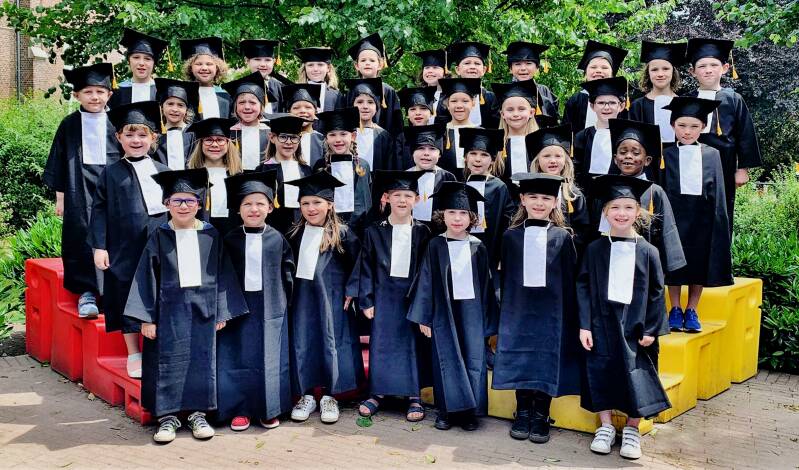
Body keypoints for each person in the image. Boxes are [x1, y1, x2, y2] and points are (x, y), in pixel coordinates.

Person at [124, 168, 248, 444]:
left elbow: (224, 273)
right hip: (167, 314)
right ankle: (167, 417)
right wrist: (146, 318)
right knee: (167, 362)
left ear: (199, 204)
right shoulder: (158, 235)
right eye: (177, 200)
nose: (183, 206)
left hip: (204, 312)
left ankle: (198, 414)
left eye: (190, 200)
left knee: (201, 362)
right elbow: (145, 277)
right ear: (166, 203)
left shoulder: (211, 235)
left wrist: (222, 310)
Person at [577, 174, 671, 460]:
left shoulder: (649, 251)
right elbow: (583, 287)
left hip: (636, 327)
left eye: (628, 207)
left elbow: (657, 293)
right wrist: (584, 325)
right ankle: (605, 426)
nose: (622, 213)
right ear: (605, 212)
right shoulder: (594, 249)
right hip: (601, 323)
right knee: (600, 370)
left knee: (637, 375)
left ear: (638, 212)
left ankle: (632, 428)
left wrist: (652, 329)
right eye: (615, 207)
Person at [492, 173, 580, 444]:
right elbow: (504, 275)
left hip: (551, 312)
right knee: (521, 358)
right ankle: (522, 411)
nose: (539, 203)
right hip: (517, 310)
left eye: (545, 198)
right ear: (522, 199)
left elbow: (570, 279)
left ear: (555, 202)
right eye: (533, 197)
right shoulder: (510, 236)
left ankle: (541, 413)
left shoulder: (563, 237)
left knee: (545, 359)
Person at [407, 182, 499, 432]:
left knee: (473, 360)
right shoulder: (435, 245)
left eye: (463, 213)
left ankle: (470, 412)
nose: (457, 219)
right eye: (451, 212)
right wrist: (424, 317)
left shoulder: (478, 247)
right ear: (442, 215)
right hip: (443, 314)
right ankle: (445, 411)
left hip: (472, 314)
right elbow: (425, 281)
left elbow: (487, 286)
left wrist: (488, 321)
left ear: (472, 218)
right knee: (445, 359)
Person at [90, 100, 168, 379]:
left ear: (153, 138)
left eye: (143, 135)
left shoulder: (163, 170)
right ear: (119, 137)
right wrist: (99, 246)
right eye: (130, 134)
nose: (136, 140)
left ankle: (160, 348)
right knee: (126, 294)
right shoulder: (110, 173)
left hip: (158, 243)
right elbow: (99, 210)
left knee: (159, 291)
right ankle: (133, 352)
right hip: (124, 246)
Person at [284, 171, 364, 425]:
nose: (311, 208)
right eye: (305, 203)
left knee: (333, 342)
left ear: (330, 204)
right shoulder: (294, 234)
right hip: (302, 301)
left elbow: (358, 264)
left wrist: (352, 289)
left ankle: (330, 396)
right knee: (303, 342)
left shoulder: (343, 233)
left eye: (317, 202)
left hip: (333, 300)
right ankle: (307, 395)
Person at [217, 170, 295, 432]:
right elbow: (220, 276)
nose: (254, 209)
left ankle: (268, 409)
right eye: (247, 204)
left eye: (260, 203)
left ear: (270, 207)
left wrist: (286, 305)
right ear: (238, 209)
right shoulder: (229, 240)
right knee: (237, 357)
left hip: (271, 310)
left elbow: (288, 275)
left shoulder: (277, 239)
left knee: (270, 359)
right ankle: (239, 409)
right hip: (237, 310)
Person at [43, 63, 120, 318]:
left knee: (115, 236)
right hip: (79, 190)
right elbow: (58, 161)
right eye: (88, 92)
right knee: (81, 236)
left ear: (109, 94)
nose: (94, 97)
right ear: (77, 95)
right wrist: (61, 198)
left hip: (113, 189)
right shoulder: (69, 124)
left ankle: (112, 293)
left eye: (100, 92)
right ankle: (87, 293)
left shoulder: (118, 122)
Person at [357, 170, 431, 422]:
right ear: (386, 197)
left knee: (411, 345)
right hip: (383, 297)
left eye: (408, 196)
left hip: (412, 299)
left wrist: (423, 305)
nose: (402, 200)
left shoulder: (423, 232)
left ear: (417, 200)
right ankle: (377, 393)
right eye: (397, 195)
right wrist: (366, 299)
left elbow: (427, 272)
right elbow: (366, 266)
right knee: (382, 344)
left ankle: (414, 395)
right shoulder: (373, 231)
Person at [661, 96, 733, 333]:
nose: (687, 131)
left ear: (703, 126)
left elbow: (719, 191)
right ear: (672, 125)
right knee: (673, 264)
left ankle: (692, 309)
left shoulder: (712, 154)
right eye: (682, 125)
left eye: (694, 126)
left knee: (699, 262)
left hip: (702, 217)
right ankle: (675, 308)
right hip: (674, 217)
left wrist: (718, 222)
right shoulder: (666, 154)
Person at [685, 37, 762, 232]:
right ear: (692, 71)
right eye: (702, 66)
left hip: (724, 166)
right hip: (691, 163)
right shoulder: (687, 100)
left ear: (725, 68)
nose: (708, 70)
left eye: (714, 65)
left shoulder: (733, 99)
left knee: (721, 213)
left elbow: (745, 134)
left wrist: (742, 169)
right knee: (692, 212)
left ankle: (720, 252)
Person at [607, 118, 686, 275]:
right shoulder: (606, 188)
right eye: (623, 152)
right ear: (615, 159)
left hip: (645, 263)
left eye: (636, 153)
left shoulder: (654, 191)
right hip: (611, 258)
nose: (628, 156)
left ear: (647, 160)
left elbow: (667, 229)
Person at [460, 127, 515, 289]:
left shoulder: (499, 187)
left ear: (492, 160)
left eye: (484, 155)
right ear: (465, 157)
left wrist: (501, 255)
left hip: (491, 250)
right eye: (473, 153)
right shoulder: (460, 185)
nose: (478, 159)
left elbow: (507, 223)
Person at [526, 124, 591, 254]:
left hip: (565, 252)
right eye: (546, 156)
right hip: (533, 249)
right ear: (537, 160)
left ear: (566, 160)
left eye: (558, 156)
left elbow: (582, 230)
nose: (553, 160)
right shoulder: (528, 191)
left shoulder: (573, 194)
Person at [314, 107, 373, 236]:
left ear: (353, 136)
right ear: (326, 138)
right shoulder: (320, 166)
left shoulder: (362, 166)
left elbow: (366, 202)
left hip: (359, 230)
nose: (338, 139)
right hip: (328, 229)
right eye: (332, 135)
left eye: (343, 134)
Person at [256, 114, 315, 235]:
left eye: (294, 138)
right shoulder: (262, 170)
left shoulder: (306, 171)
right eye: (283, 137)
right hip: (271, 231)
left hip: (302, 230)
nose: (288, 142)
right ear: (272, 137)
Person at [186, 117, 242, 235]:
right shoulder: (190, 177)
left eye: (220, 140)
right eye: (208, 140)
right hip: (199, 236)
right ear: (201, 144)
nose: (215, 145)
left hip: (231, 236)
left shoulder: (238, 177)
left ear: (228, 143)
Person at [573, 76, 628, 196]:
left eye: (612, 103)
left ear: (621, 106)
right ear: (592, 106)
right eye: (601, 103)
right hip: (587, 195)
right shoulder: (582, 137)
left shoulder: (627, 137)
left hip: (619, 195)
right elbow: (576, 170)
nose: (606, 107)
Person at [629, 41, 687, 148]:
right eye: (654, 70)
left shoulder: (684, 105)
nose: (660, 74)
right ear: (648, 73)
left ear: (673, 71)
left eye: (665, 69)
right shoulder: (638, 106)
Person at [563, 40, 628, 131]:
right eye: (593, 67)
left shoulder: (621, 101)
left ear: (612, 73)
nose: (598, 71)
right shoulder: (575, 101)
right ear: (585, 72)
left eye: (604, 67)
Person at [347, 33, 404, 137]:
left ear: (380, 64)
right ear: (357, 65)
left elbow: (396, 124)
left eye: (372, 60)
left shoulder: (388, 91)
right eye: (363, 60)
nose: (367, 63)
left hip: (383, 143)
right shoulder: (352, 90)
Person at [403, 124, 457, 228]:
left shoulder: (448, 178)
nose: (426, 153)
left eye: (432, 149)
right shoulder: (404, 177)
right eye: (421, 148)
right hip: (410, 231)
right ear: (412, 152)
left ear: (440, 154)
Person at [435, 41, 499, 128]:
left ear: (484, 70)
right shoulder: (446, 96)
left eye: (477, 63)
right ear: (457, 69)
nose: (472, 67)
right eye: (467, 63)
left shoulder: (491, 98)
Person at [221, 72, 275, 170]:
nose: (247, 107)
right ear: (235, 106)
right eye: (241, 102)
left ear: (261, 106)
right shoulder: (229, 133)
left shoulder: (270, 133)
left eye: (252, 102)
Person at [491, 79, 541, 183]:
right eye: (510, 110)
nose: (515, 114)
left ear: (532, 112)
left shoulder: (540, 143)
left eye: (521, 109)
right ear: (502, 114)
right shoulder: (496, 146)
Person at [344, 78, 397, 171]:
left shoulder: (384, 136)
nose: (365, 106)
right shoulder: (345, 134)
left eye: (370, 102)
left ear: (377, 107)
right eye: (359, 102)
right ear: (352, 105)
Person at [108, 29, 167, 108]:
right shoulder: (117, 92)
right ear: (129, 61)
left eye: (147, 59)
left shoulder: (162, 92)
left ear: (154, 63)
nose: (141, 63)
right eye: (136, 57)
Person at [437, 77, 481, 179]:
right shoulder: (440, 133)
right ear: (447, 104)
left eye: (465, 101)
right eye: (454, 101)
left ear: (473, 103)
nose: (459, 106)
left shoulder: (481, 133)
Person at [502, 41, 559, 119]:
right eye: (517, 64)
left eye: (528, 63)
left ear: (537, 68)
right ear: (510, 69)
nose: (523, 68)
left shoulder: (544, 91)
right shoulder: (503, 93)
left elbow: (554, 120)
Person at [180, 37, 230, 120]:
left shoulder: (226, 96)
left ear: (217, 68)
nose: (204, 68)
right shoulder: (184, 95)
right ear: (190, 68)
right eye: (199, 64)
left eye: (209, 64)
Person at [153, 78, 198, 170]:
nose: (175, 109)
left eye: (180, 105)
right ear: (161, 107)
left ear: (186, 109)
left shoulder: (194, 134)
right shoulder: (155, 136)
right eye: (170, 104)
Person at [281, 82, 326, 167]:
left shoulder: (322, 140)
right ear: (288, 112)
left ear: (316, 111)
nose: (302, 111)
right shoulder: (282, 140)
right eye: (296, 108)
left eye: (308, 107)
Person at [396, 85, 438, 169]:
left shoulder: (439, 135)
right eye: (412, 109)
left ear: (431, 113)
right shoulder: (401, 137)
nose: (418, 113)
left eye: (423, 108)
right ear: (407, 114)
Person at [241, 39, 284, 112]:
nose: (263, 64)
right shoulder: (240, 87)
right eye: (257, 59)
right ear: (247, 61)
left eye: (268, 60)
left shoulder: (279, 87)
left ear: (274, 62)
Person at [295, 47, 342, 113]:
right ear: (305, 69)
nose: (315, 69)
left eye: (320, 65)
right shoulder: (296, 93)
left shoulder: (336, 96)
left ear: (328, 68)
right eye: (310, 65)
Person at [414, 49, 448, 123]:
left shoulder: (451, 97)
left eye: (435, 67)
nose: (430, 71)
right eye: (427, 68)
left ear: (445, 72)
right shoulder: (418, 97)